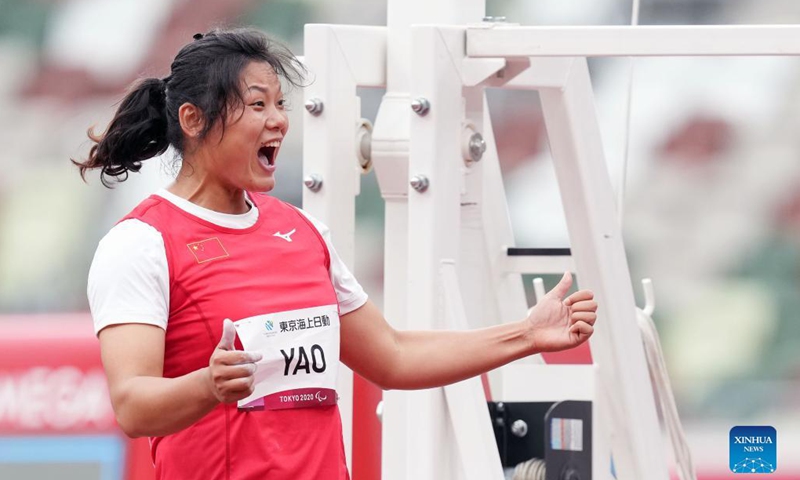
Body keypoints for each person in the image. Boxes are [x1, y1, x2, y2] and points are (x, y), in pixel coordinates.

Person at [75, 28, 598, 480]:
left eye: (281, 104)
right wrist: (207, 385)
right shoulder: (141, 243)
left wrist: (527, 334)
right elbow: (132, 405)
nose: (279, 120)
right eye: (258, 105)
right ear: (193, 120)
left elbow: (393, 355)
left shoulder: (304, 233)